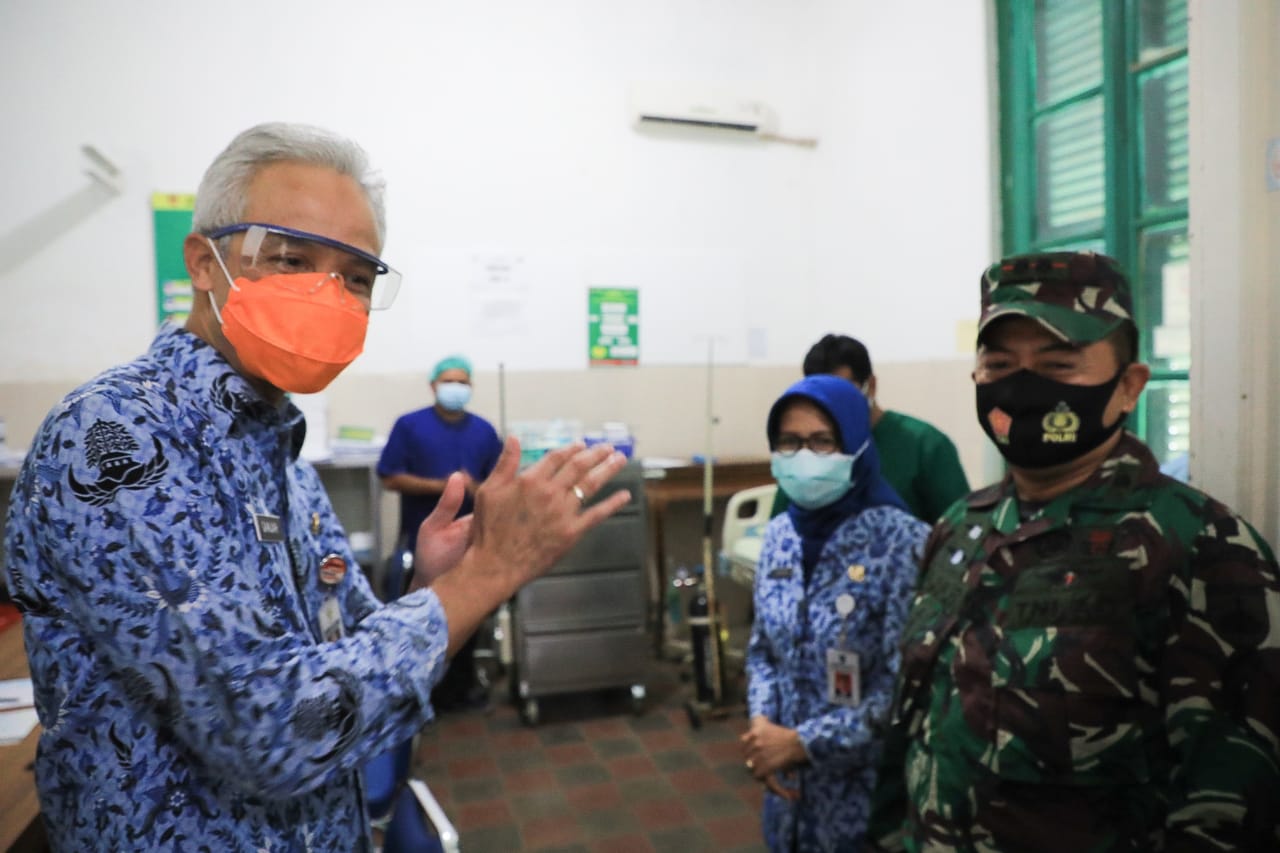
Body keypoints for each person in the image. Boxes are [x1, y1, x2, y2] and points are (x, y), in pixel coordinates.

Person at [2, 123, 632, 852]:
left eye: (356, 277)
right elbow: (271, 728)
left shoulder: (279, 450)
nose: (327, 295)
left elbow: (341, 657)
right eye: (291, 258)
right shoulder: (121, 434)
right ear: (205, 262)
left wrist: (434, 586)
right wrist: (487, 577)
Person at [869, 251, 1280, 850]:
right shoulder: (961, 526)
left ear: (1128, 387)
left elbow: (1232, 805)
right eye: (1000, 364)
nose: (1022, 386)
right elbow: (916, 722)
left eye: (1059, 365)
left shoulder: (1199, 547)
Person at [742, 374, 929, 851]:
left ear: (857, 446)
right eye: (790, 442)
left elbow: (904, 689)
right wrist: (764, 728)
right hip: (788, 797)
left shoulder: (901, 542)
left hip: (867, 802)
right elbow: (764, 650)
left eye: (823, 442)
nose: (805, 456)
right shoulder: (780, 535)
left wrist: (803, 743)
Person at [378, 354, 503, 710]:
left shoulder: (482, 430)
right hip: (421, 542)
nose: (456, 388)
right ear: (434, 385)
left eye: (463, 382)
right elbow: (389, 475)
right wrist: (442, 487)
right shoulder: (410, 426)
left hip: (471, 540)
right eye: (449, 381)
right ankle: (418, 691)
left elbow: (495, 486)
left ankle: (461, 690)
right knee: (423, 613)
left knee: (467, 613)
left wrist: (473, 488)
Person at [776, 333, 969, 523]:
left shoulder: (926, 446)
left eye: (842, 393)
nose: (831, 406)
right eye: (819, 397)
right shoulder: (805, 452)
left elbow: (960, 533)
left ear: (871, 386)